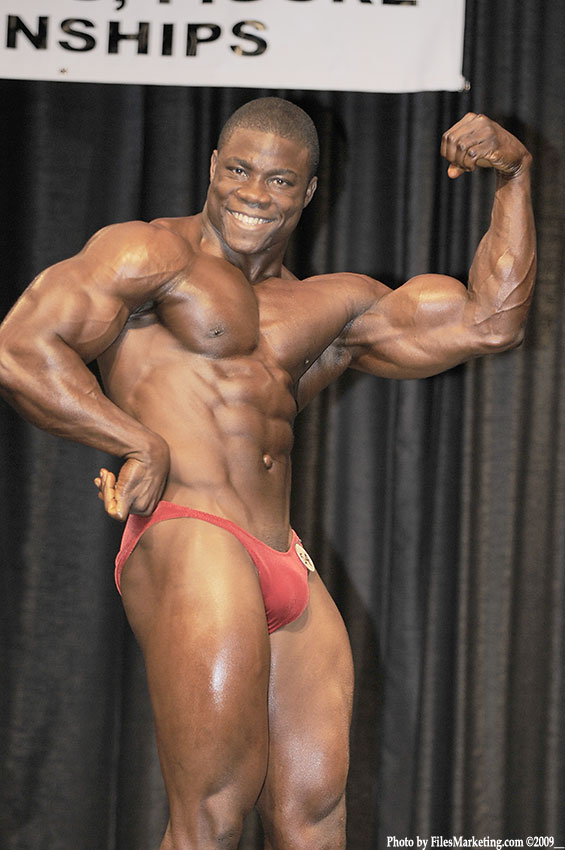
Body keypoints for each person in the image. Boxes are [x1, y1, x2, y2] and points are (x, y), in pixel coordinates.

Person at [0, 98, 535, 849]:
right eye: (240, 171)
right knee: (214, 815)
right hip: (190, 529)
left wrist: (514, 177)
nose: (254, 193)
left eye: (279, 180)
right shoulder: (149, 254)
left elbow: (490, 321)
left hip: (280, 554)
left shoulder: (331, 304)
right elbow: (20, 348)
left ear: (308, 190)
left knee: (313, 820)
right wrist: (135, 441)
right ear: (212, 168)